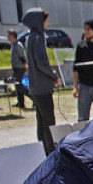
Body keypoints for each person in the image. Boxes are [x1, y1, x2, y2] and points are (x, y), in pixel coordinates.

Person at [23, 8, 60, 155]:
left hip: (35, 87)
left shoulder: (30, 37)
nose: (48, 24)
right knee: (49, 122)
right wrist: (54, 76)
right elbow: (42, 63)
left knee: (41, 122)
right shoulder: (37, 38)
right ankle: (50, 150)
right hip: (42, 87)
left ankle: (43, 148)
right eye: (46, 20)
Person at [7, 29, 27, 109]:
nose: (7, 37)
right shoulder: (13, 45)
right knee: (17, 85)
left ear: (12, 36)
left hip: (20, 68)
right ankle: (20, 103)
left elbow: (22, 56)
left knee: (20, 86)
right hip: (15, 68)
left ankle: (34, 99)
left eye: (9, 35)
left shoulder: (18, 45)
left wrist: (25, 65)